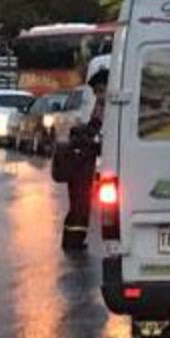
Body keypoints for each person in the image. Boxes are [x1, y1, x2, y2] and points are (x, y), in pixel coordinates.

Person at [54, 66, 107, 253]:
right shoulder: (101, 105)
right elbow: (94, 129)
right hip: (83, 164)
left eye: (100, 91)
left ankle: (73, 240)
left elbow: (95, 128)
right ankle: (73, 241)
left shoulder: (105, 104)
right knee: (80, 204)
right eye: (96, 93)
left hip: (84, 162)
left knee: (80, 204)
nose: (98, 96)